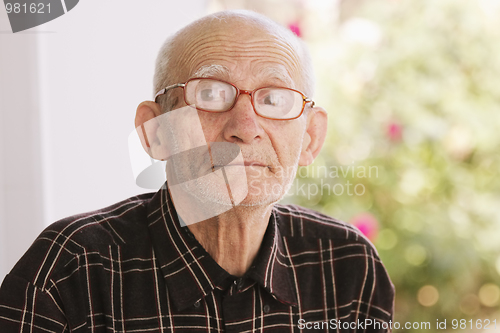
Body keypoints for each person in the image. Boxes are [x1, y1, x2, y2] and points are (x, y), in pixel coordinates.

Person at [0, 10, 394, 332]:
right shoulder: (69, 270)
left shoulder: (347, 265)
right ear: (154, 132)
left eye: (274, 98)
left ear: (310, 137)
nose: (245, 126)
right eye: (210, 93)